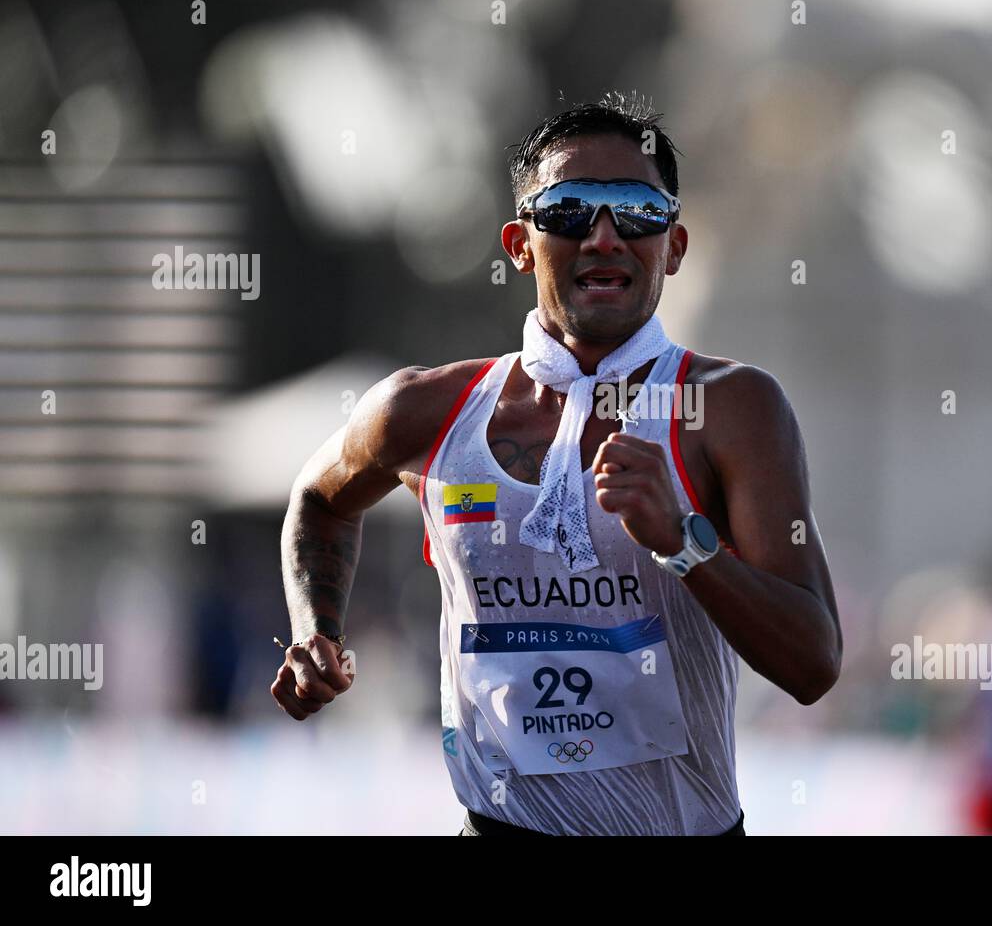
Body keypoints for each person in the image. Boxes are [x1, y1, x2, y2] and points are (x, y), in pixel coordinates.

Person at [272, 91, 842, 835]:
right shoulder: (424, 410)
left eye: (636, 211)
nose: (604, 238)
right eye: (570, 209)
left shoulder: (730, 408)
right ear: (519, 243)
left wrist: (685, 541)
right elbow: (320, 499)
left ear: (673, 244)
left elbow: (813, 664)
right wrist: (318, 631)